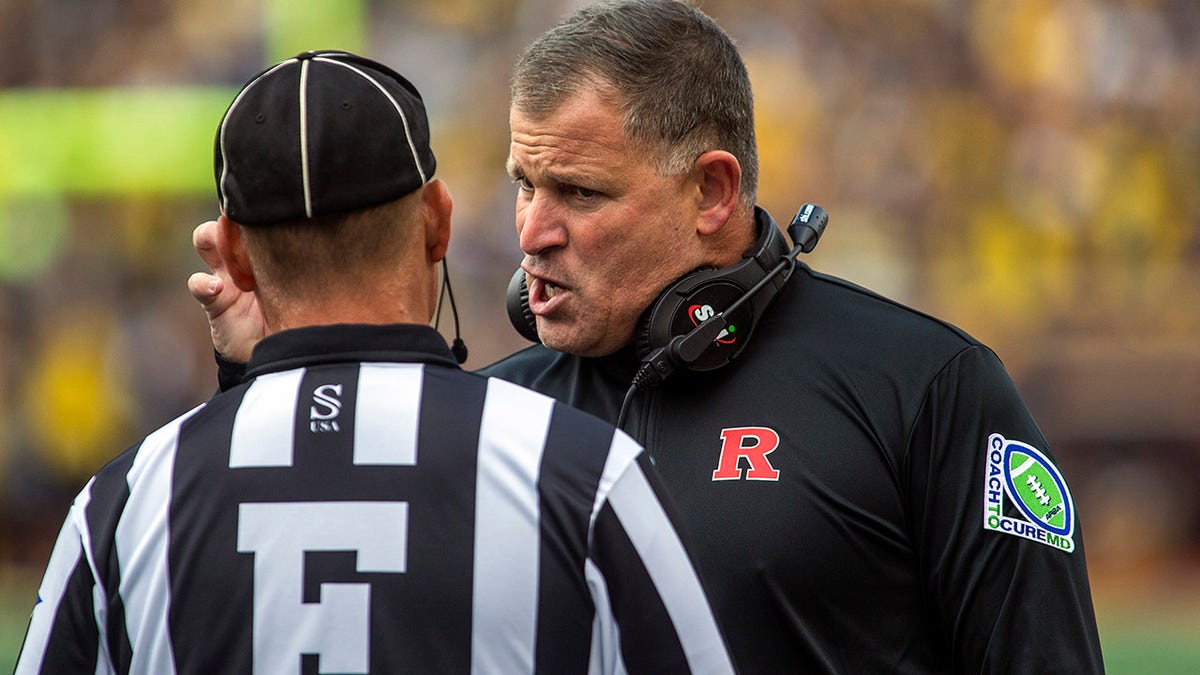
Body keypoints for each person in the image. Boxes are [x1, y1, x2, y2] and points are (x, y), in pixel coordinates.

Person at [187, 2, 1106, 672]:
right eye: (523, 184)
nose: (531, 231)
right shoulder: (495, 413)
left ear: (711, 191)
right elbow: (295, 614)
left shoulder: (928, 389)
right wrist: (262, 378)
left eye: (579, 193)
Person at [15, 50, 735, 675]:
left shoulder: (127, 502)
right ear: (437, 219)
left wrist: (246, 387)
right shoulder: (583, 473)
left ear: (231, 251)